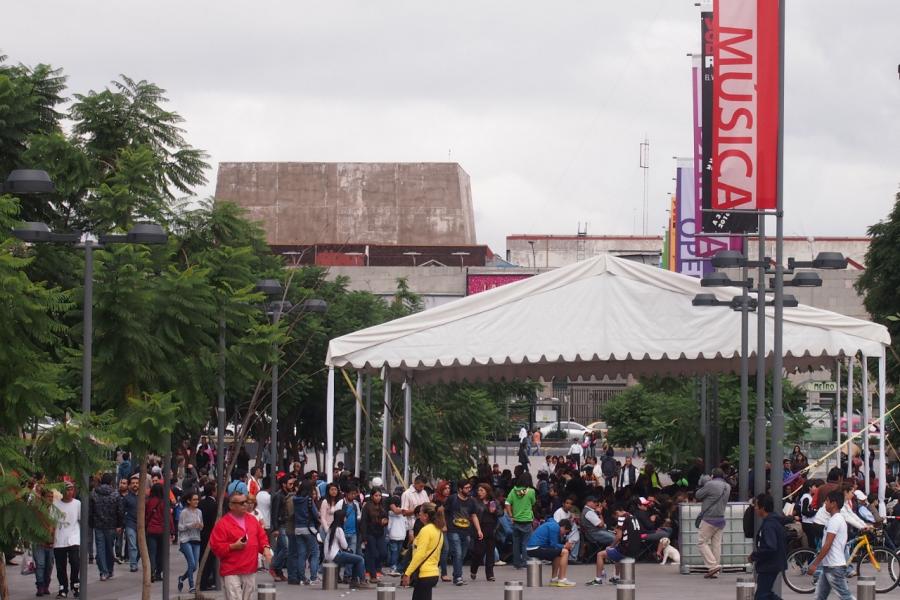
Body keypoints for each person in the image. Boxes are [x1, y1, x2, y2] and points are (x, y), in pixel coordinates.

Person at [210, 492, 274, 600]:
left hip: (250, 568)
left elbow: (262, 537)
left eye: (246, 502)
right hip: (231, 569)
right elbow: (216, 546)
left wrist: (266, 549)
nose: (246, 505)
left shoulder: (252, 520)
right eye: (241, 503)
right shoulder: (223, 524)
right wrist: (232, 546)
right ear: (231, 506)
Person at [807, 490, 852, 600]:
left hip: (834, 567)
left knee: (845, 597)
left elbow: (828, 544)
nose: (825, 504)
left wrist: (815, 564)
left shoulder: (835, 520)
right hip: (829, 566)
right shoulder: (834, 519)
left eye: (827, 501)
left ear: (834, 504)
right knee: (820, 597)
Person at [586, 504, 642, 586]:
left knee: (600, 555)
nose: (615, 519)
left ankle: (598, 579)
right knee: (616, 551)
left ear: (616, 513)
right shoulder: (632, 516)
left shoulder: (622, 517)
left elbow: (618, 536)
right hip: (636, 549)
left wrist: (611, 546)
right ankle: (616, 578)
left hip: (626, 550)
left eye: (614, 517)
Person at [402, 502, 445, 600]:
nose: (418, 514)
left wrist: (407, 573)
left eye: (420, 511)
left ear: (426, 516)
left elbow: (419, 554)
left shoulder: (426, 530)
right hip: (433, 573)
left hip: (424, 574)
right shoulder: (438, 530)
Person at [444, 480, 483, 586]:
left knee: (463, 554)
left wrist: (479, 530)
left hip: (466, 531)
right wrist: (444, 525)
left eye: (469, 487)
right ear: (460, 489)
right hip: (453, 529)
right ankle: (458, 577)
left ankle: (456, 572)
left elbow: (473, 515)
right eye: (466, 488)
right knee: (458, 552)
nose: (468, 490)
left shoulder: (471, 501)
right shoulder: (452, 499)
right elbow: (444, 511)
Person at [749, 493, 787, 600]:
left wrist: (754, 556)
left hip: (770, 565)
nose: (755, 508)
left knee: (762, 596)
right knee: (765, 594)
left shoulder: (769, 525)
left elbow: (770, 547)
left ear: (763, 508)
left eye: (756, 506)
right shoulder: (772, 521)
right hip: (771, 564)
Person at [695, 467, 731, 579]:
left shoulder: (711, 484)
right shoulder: (727, 486)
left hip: (709, 518)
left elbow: (698, 495)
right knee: (716, 544)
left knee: (701, 542)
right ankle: (715, 571)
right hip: (721, 518)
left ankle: (712, 566)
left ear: (712, 475)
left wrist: (704, 483)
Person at [324, 509, 372, 589]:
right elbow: (345, 546)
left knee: (355, 559)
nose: (346, 519)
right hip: (336, 555)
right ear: (341, 518)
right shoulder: (339, 529)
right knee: (360, 559)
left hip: (329, 555)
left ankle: (354, 581)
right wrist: (348, 549)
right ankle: (362, 581)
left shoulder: (331, 528)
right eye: (345, 517)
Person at [89, 472, 123, 581]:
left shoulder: (94, 493)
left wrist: (91, 523)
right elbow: (120, 511)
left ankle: (103, 571)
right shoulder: (115, 494)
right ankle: (109, 569)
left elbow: (91, 510)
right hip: (111, 525)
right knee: (109, 548)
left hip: (98, 524)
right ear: (111, 482)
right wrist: (119, 524)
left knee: (100, 549)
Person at [525, 517, 576, 586]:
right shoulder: (555, 527)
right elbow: (553, 545)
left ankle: (554, 579)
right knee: (565, 552)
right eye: (566, 532)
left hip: (534, 548)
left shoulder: (552, 524)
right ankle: (562, 579)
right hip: (535, 548)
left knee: (558, 554)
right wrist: (564, 546)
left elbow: (552, 545)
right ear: (563, 527)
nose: (564, 535)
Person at [53, 481, 81, 599]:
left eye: (71, 489)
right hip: (59, 538)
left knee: (75, 562)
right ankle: (62, 588)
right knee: (60, 566)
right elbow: (52, 521)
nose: (69, 492)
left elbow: (80, 519)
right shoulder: (56, 505)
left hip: (74, 537)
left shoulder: (77, 503)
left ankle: (75, 585)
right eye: (67, 490)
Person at [292, 480, 320, 584]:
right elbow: (315, 514)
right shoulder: (308, 500)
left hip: (298, 528)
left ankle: (302, 578)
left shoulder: (295, 499)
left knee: (301, 555)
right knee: (315, 553)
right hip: (309, 528)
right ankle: (313, 577)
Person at [505, 473, 536, 569]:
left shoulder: (513, 491)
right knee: (525, 543)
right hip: (526, 520)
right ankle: (525, 562)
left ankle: (516, 563)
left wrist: (511, 515)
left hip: (516, 520)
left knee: (516, 542)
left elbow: (507, 503)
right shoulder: (531, 491)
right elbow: (533, 502)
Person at [361, 487, 390, 582]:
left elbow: (386, 518)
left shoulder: (383, 506)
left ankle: (376, 569)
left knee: (383, 553)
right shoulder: (367, 506)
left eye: (379, 496)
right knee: (373, 554)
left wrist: (385, 521)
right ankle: (372, 575)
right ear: (372, 496)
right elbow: (364, 522)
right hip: (370, 533)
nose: (378, 497)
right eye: (376, 495)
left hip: (380, 532)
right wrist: (364, 537)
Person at [470, 483, 497, 581]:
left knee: (490, 552)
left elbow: (501, 513)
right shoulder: (475, 501)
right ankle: (474, 568)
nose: (479, 492)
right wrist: (478, 530)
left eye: (482, 490)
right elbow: (473, 515)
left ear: (487, 491)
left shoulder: (493, 501)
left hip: (491, 528)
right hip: (480, 528)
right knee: (479, 552)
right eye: (478, 490)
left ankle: (490, 574)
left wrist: (495, 510)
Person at [177, 492, 203, 593]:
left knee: (195, 566)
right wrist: (190, 525)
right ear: (189, 501)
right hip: (185, 540)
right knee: (191, 563)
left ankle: (182, 578)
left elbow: (201, 525)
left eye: (197, 499)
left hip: (196, 539)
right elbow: (180, 527)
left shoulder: (199, 512)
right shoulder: (184, 512)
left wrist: (200, 526)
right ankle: (192, 586)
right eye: (194, 499)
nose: (196, 501)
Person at [146, 482, 170, 582]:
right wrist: (172, 531)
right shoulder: (165, 503)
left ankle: (151, 572)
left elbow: (145, 516)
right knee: (161, 553)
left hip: (151, 530)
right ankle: (158, 573)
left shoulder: (148, 502)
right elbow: (169, 518)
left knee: (152, 553)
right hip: (162, 530)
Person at [34, 486, 56, 597]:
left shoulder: (55, 509)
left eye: (52, 497)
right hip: (39, 542)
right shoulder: (37, 509)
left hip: (51, 543)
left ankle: (46, 585)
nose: (51, 499)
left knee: (49, 566)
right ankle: (40, 586)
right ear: (43, 497)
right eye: (48, 496)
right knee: (40, 564)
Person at [198, 481, 219, 591]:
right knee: (210, 560)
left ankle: (202, 581)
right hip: (211, 534)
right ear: (213, 492)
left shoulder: (201, 503)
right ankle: (205, 582)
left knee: (202, 558)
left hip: (201, 533)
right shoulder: (214, 505)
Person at [386, 487, 407, 576]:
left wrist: (388, 533)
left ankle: (393, 566)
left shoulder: (390, 514)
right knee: (398, 552)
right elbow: (406, 525)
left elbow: (389, 526)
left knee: (393, 552)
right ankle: (398, 566)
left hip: (393, 535)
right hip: (402, 535)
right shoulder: (403, 514)